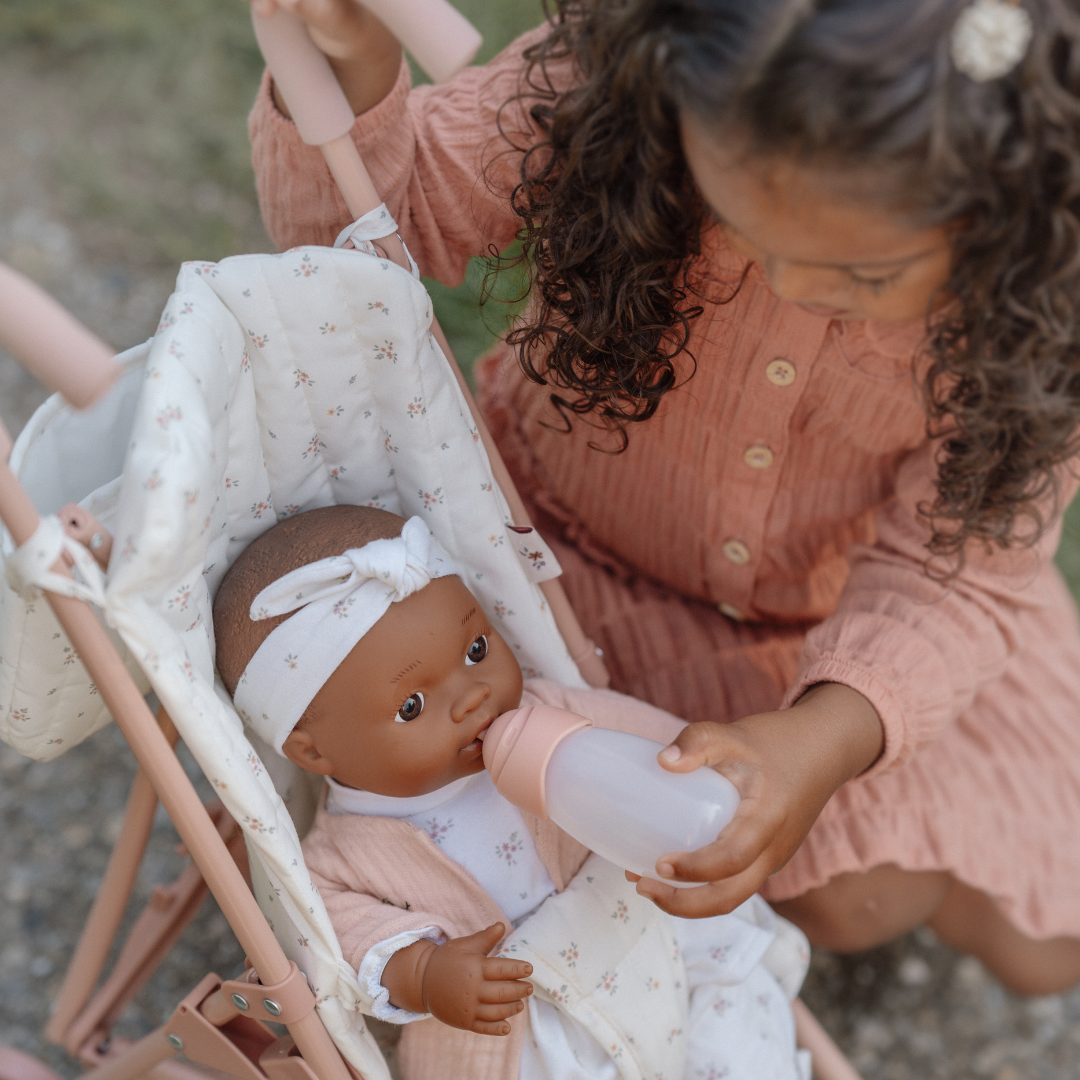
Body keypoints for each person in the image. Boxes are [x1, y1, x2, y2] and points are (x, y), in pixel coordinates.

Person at [246, 0, 1080, 995]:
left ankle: (904, 866)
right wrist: (355, 65)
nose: (790, 281)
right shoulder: (612, 90)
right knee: (841, 895)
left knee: (1040, 956)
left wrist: (816, 743)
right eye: (739, 216)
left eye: (863, 271)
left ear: (1006, 222)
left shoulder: (1033, 310)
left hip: (832, 624)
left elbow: (956, 573)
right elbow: (356, 251)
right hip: (561, 564)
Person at [212, 504, 811, 1080]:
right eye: (412, 706)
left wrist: (693, 781)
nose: (473, 695)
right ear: (313, 752)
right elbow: (339, 938)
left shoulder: (551, 710)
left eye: (476, 650)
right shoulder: (342, 856)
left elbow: (657, 745)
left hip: (653, 942)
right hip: (534, 1031)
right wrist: (421, 972)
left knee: (740, 1036)